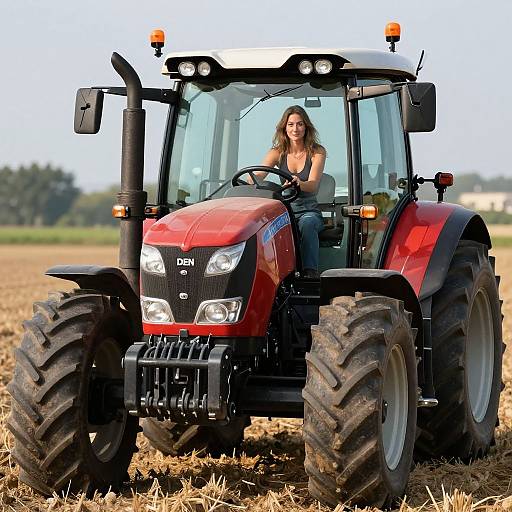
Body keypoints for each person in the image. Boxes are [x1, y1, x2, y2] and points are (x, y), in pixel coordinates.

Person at [260, 105, 326, 278]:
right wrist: (247, 179)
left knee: (307, 224)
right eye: (290, 124)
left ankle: (309, 273)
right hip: (285, 212)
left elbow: (312, 185)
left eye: (299, 124)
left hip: (308, 211)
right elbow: (259, 174)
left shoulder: (317, 152)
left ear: (306, 127)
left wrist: (299, 183)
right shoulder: (277, 152)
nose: (295, 129)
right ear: (284, 127)